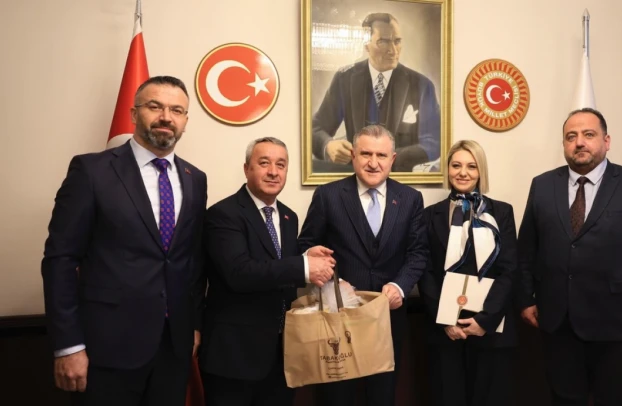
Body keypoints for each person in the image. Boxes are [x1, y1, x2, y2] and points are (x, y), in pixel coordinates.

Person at [41, 76, 207, 406]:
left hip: (173, 348)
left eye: (177, 110)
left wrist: (194, 325)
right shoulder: (92, 171)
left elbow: (191, 259)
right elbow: (60, 260)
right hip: (107, 348)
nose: (166, 117)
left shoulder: (195, 178)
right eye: (155, 106)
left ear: (185, 120)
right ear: (134, 113)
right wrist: (68, 346)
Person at [516, 108, 622, 406]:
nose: (579, 142)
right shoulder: (542, 185)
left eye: (588, 134)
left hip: (618, 327)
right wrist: (526, 298)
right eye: (571, 136)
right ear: (564, 144)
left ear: (606, 141)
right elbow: (526, 249)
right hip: (558, 325)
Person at [198, 137, 336, 406]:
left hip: (283, 353)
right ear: (246, 168)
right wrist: (303, 266)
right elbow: (239, 272)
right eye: (264, 163)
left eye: (280, 165)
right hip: (234, 356)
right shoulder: (223, 214)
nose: (273, 171)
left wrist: (306, 256)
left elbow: (279, 267)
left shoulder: (288, 216)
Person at [299, 124, 428, 406]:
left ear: (393, 159)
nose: (373, 162)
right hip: (337, 316)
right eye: (366, 154)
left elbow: (418, 253)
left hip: (387, 319)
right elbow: (305, 247)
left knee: (382, 395)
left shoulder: (410, 199)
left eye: (381, 155)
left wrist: (400, 286)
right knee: (336, 398)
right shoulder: (328, 195)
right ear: (353, 156)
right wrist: (331, 281)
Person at [418, 140, 518, 406]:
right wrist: (445, 321)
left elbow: (509, 270)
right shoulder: (429, 215)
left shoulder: (502, 212)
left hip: (491, 330)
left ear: (481, 171)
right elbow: (425, 272)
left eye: (471, 166)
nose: (463, 172)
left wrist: (485, 321)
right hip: (445, 331)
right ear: (448, 170)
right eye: (456, 165)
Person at [312, 12, 441, 172]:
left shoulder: (422, 85)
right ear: (366, 45)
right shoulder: (344, 78)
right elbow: (315, 128)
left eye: (397, 41)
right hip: (354, 177)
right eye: (383, 42)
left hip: (400, 178)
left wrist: (389, 158)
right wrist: (328, 145)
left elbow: (435, 141)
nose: (393, 50)